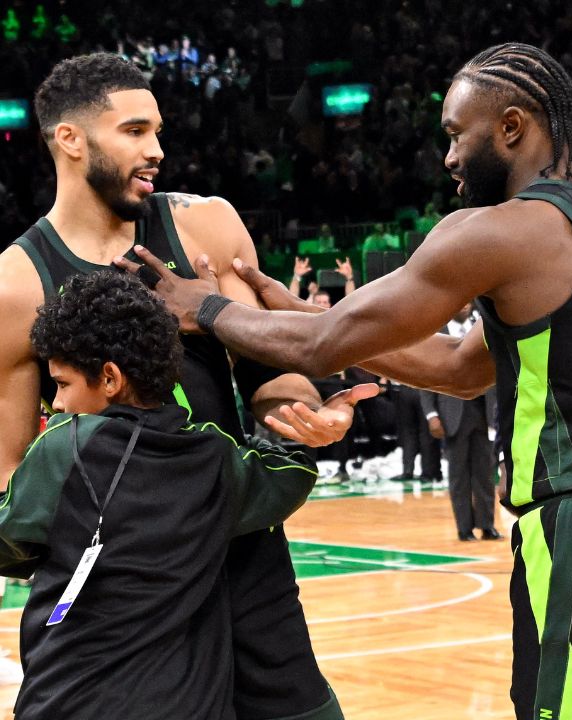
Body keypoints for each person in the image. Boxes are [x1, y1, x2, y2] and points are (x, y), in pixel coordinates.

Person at [123, 43, 572, 718]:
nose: (449, 157)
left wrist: (207, 308)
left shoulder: (502, 232)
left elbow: (318, 349)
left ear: (512, 127)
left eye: (458, 135)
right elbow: (460, 369)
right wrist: (306, 312)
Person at [0, 53, 371, 720]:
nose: (158, 151)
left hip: (241, 557)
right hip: (120, 599)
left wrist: (301, 411)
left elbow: (268, 369)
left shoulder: (207, 225)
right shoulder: (16, 284)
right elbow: (10, 470)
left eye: (159, 132)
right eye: (136, 131)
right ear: (71, 139)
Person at [2, 271, 319, 718]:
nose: (56, 403)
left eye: (62, 384)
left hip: (68, 698)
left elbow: (7, 545)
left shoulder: (65, 445)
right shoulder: (212, 458)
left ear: (110, 378)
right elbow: (293, 472)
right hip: (187, 704)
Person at [421, 303, 500, 540]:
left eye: (468, 302)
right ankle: (464, 528)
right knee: (458, 476)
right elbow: (426, 377)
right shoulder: (436, 333)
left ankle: (487, 525)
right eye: (461, 302)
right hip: (451, 416)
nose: (465, 306)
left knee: (485, 473)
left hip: (483, 413)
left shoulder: (482, 328)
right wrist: (431, 415)